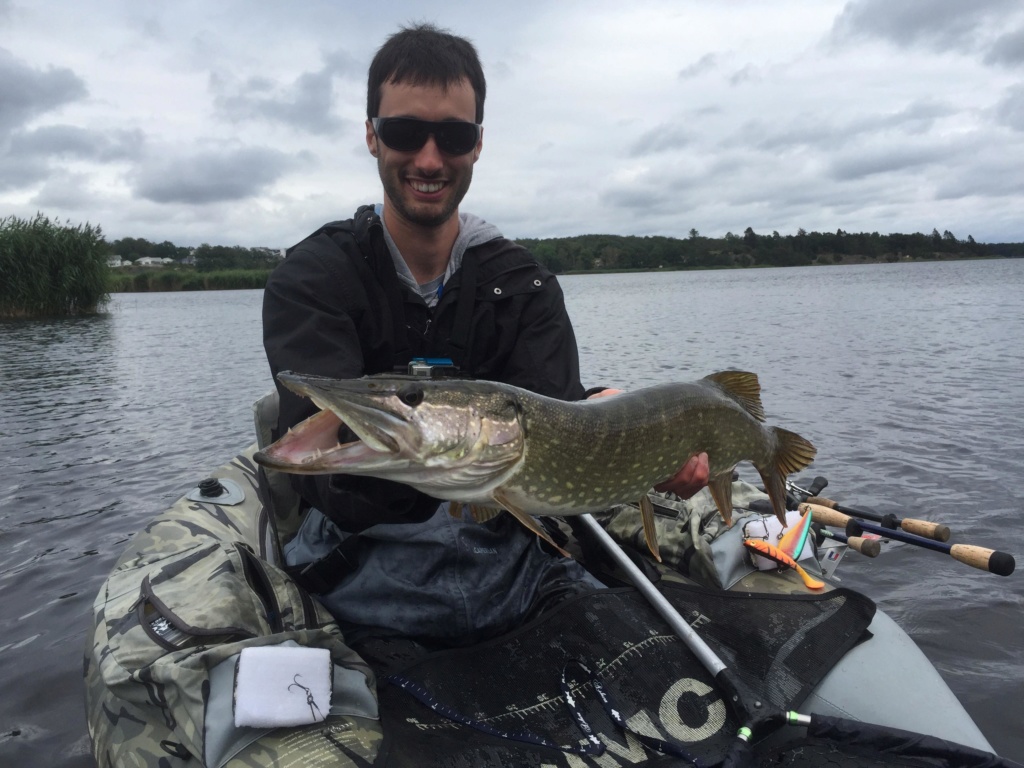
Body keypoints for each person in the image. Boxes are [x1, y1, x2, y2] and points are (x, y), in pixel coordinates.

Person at [262, 23, 708, 653]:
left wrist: (620, 432)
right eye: (404, 131)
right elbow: (331, 486)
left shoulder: (523, 285)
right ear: (371, 135)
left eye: (453, 135)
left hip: (514, 570)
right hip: (358, 572)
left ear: (477, 145)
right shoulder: (312, 279)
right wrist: (437, 462)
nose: (428, 158)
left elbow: (556, 425)